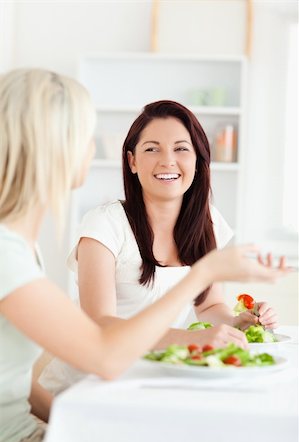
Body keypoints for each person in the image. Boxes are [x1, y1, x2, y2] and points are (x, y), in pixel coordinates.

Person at [0, 70, 287, 442]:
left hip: (105, 391)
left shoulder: (21, 248)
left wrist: (234, 322)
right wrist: (202, 278)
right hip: (81, 390)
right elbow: (103, 345)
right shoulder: (25, 250)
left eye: (181, 148)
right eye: (85, 138)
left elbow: (14, 385)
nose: (91, 149)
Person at [39, 100, 283, 394]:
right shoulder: (104, 224)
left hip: (155, 375)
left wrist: (235, 323)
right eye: (152, 149)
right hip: (86, 382)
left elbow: (208, 304)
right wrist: (190, 339)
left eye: (181, 148)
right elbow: (100, 326)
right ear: (132, 161)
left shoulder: (209, 223)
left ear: (198, 159)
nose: (167, 161)